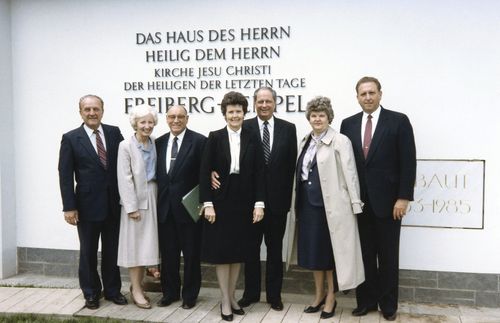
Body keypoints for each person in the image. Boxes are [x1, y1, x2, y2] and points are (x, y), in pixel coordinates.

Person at [340, 77, 416, 321]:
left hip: (389, 204)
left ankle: (388, 305)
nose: (368, 97)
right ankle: (366, 302)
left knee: (388, 256)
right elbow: (345, 165)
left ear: (380, 94)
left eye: (372, 92)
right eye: (363, 94)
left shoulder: (398, 121)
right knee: (363, 256)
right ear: (357, 97)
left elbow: (408, 162)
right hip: (358, 204)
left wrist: (403, 197)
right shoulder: (347, 124)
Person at [292, 96, 365, 319]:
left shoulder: (340, 140)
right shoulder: (305, 140)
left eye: (321, 115)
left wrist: (355, 203)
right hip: (308, 207)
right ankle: (318, 295)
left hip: (331, 208)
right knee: (314, 254)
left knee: (331, 256)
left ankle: (331, 297)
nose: (317, 119)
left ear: (329, 117)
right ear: (309, 118)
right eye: (313, 115)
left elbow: (350, 174)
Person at [200, 91, 266, 321]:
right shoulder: (215, 137)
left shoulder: (252, 136)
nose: (235, 115)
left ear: (244, 112)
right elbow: (204, 171)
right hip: (221, 200)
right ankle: (225, 300)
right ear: (224, 114)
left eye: (239, 111)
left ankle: (233, 296)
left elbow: (260, 173)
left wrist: (259, 203)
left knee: (238, 252)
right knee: (222, 253)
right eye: (231, 112)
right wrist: (208, 204)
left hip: (245, 202)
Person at [58, 94, 126, 309]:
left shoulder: (114, 133)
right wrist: (69, 207)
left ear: (102, 111)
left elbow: (126, 162)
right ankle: (91, 293)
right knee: (88, 252)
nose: (92, 113)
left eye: (96, 109)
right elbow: (65, 174)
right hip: (86, 206)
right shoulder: (71, 138)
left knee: (111, 251)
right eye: (87, 109)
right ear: (80, 112)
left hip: (114, 204)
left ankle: (113, 290)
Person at [234, 87, 297, 311]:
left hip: (278, 203)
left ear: (274, 103)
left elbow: (291, 167)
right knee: (250, 249)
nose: (263, 105)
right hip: (250, 203)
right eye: (260, 101)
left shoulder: (289, 129)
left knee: (274, 250)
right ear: (254, 103)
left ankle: (274, 296)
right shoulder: (244, 126)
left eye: (268, 101)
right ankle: (250, 293)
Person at [155, 105, 206, 309]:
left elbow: (205, 174)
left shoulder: (200, 141)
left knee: (192, 255)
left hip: (190, 209)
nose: (176, 120)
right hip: (165, 209)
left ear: (187, 118)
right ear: (166, 119)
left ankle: (190, 295)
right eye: (172, 116)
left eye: (180, 117)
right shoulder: (158, 143)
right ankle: (170, 293)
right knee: (168, 254)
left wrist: (203, 203)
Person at [116, 104, 160, 309]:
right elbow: (124, 178)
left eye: (150, 122)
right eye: (143, 122)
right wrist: (131, 207)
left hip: (153, 196)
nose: (147, 125)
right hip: (135, 201)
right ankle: (135, 289)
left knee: (147, 245)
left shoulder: (154, 143)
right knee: (135, 247)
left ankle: (140, 286)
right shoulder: (126, 146)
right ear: (135, 123)